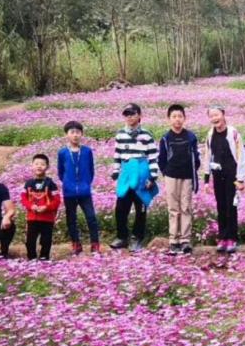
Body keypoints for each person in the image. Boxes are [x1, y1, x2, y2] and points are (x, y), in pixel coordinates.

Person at [109, 103, 159, 252]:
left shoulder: (146, 135)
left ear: (139, 115)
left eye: (132, 113)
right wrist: (115, 172)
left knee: (140, 208)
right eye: (127, 114)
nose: (129, 117)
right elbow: (117, 155)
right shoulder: (120, 134)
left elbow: (152, 157)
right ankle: (122, 237)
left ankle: (137, 238)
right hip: (126, 174)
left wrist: (153, 177)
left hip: (142, 172)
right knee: (121, 208)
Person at [204, 106, 245, 254]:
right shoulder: (210, 134)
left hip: (232, 176)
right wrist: (206, 178)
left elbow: (241, 156)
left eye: (217, 115)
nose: (215, 118)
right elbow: (207, 156)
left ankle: (232, 238)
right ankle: (222, 237)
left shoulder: (233, 133)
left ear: (223, 114)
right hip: (217, 176)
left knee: (231, 207)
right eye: (211, 116)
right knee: (221, 207)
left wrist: (240, 179)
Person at [159, 104, 201, 256]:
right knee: (173, 209)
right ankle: (173, 241)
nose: (177, 120)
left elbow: (196, 158)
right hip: (171, 176)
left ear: (184, 118)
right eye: (174, 117)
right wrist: (166, 173)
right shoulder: (166, 138)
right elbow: (161, 160)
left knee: (186, 207)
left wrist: (193, 172)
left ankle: (185, 240)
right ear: (169, 119)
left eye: (180, 116)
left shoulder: (191, 137)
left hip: (187, 177)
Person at [57, 121, 102, 255]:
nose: (75, 135)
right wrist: (67, 183)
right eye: (72, 132)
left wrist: (86, 184)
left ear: (81, 134)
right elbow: (60, 171)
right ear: (66, 135)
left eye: (78, 132)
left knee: (91, 217)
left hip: (84, 191)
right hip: (69, 192)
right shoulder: (62, 152)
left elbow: (91, 170)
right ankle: (76, 245)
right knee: (71, 219)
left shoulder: (87, 151)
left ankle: (95, 245)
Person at [20, 153, 61, 260]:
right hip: (32, 217)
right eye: (36, 164)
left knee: (46, 240)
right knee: (30, 240)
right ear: (32, 166)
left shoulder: (51, 183)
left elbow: (57, 200)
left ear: (47, 167)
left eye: (42, 164)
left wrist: (46, 207)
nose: (39, 166)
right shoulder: (28, 183)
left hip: (47, 218)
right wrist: (30, 206)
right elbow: (23, 199)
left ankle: (44, 258)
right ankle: (31, 258)